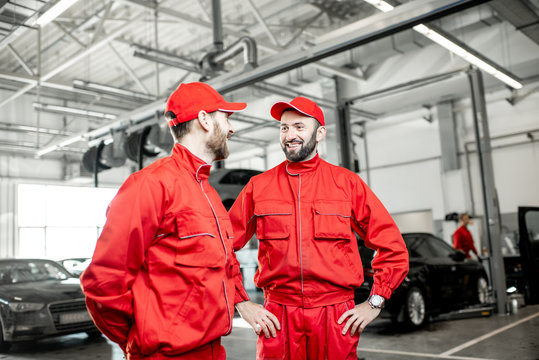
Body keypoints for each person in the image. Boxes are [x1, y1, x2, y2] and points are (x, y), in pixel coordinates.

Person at [229, 96, 409, 360]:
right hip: (278, 316)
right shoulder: (259, 187)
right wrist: (241, 301)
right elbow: (219, 247)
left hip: (336, 316)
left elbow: (393, 248)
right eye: (284, 128)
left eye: (299, 127)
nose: (290, 135)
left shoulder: (346, 184)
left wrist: (375, 302)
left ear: (320, 133)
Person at [80, 82, 247, 360]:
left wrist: (242, 301)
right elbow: (103, 282)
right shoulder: (149, 185)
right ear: (205, 119)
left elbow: (224, 266)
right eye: (226, 118)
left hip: (213, 349)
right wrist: (139, 340)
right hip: (166, 354)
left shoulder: (210, 195)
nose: (232, 129)